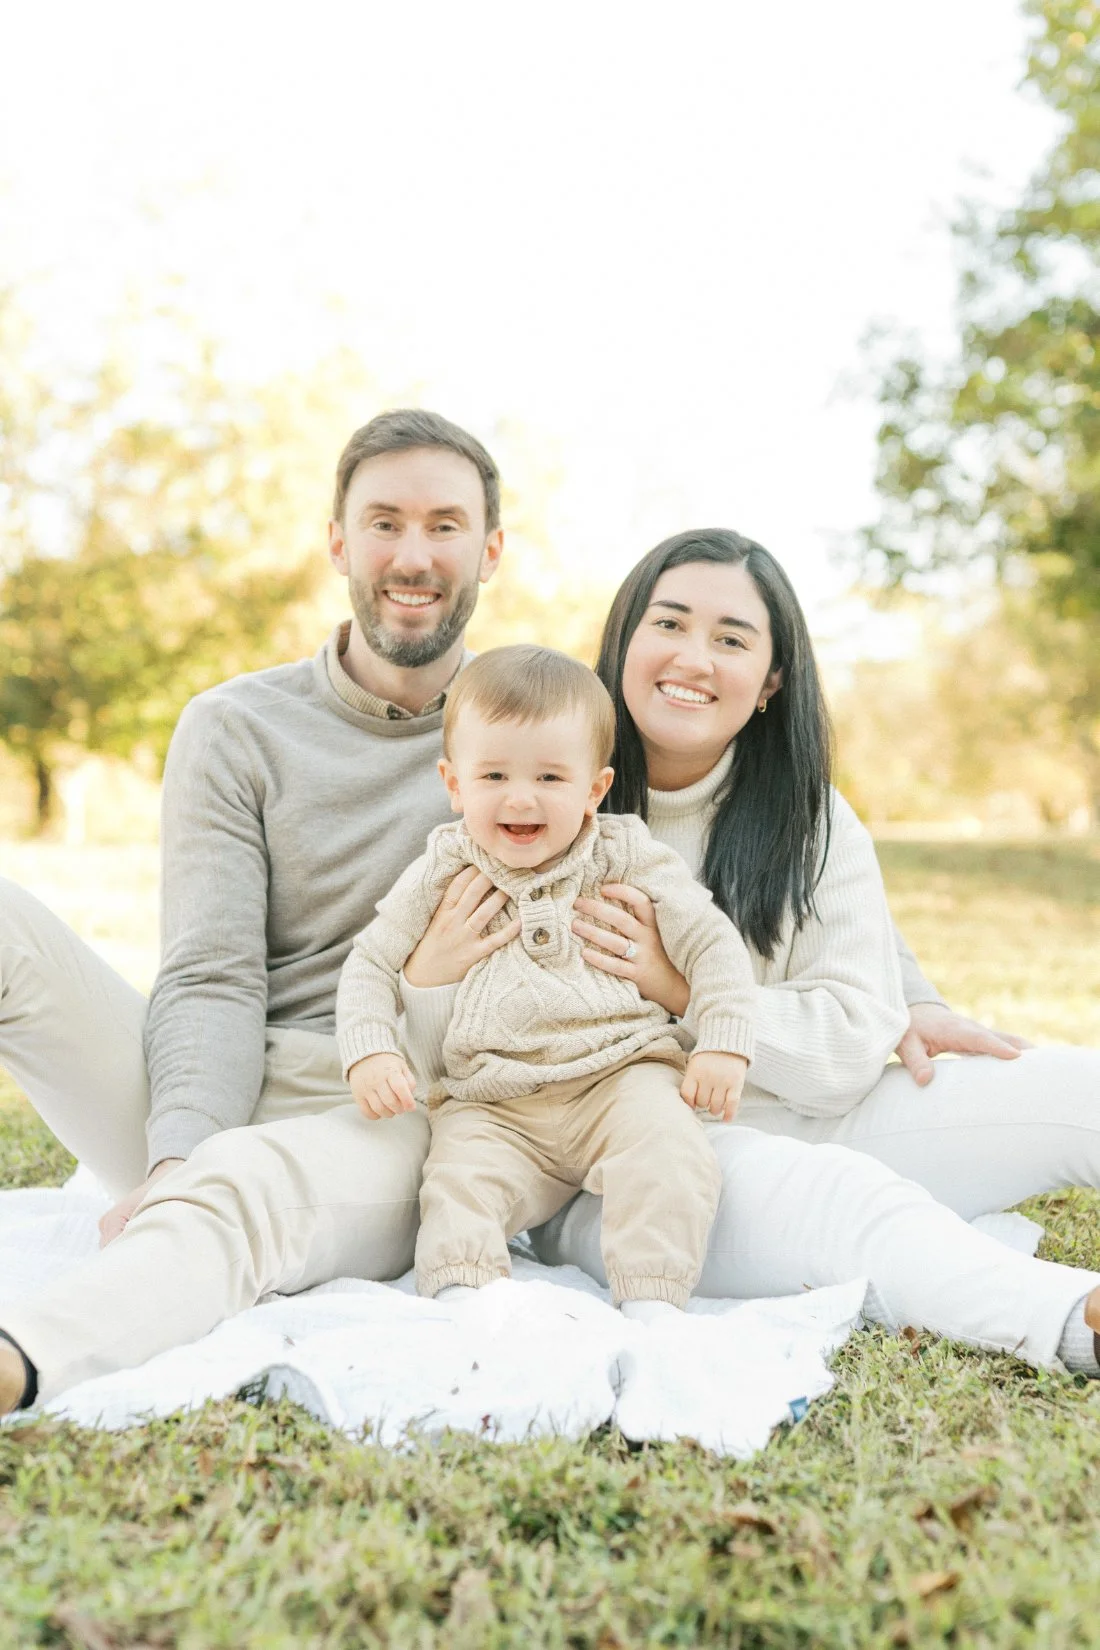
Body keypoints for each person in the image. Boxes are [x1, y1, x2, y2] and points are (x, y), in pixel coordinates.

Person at [0, 413, 1085, 1413]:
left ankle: (29, 1351)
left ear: (490, 552)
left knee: (248, 1193)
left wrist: (906, 995)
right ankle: (166, 1220)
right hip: (316, 1075)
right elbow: (210, 975)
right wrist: (175, 1150)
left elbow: (783, 887)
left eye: (445, 525)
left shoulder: (554, 738)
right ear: (337, 542)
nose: (413, 556)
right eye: (384, 523)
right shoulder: (303, 730)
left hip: (474, 1101)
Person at [400, 529, 1100, 1376]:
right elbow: (449, 1038)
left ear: (770, 681)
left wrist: (677, 985)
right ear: (622, 643)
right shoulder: (529, 807)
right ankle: (1070, 1319)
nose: (693, 658)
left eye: (731, 639)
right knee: (849, 1205)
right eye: (670, 624)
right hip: (628, 1165)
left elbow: (845, 1048)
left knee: (1077, 1086)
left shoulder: (813, 821)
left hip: (808, 1104)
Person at [338, 645, 752, 1315]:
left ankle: (652, 1302)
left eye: (551, 778)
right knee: (456, 1184)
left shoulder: (624, 853)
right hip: (492, 1102)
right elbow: (370, 962)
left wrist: (724, 1041)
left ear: (594, 788)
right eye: (494, 774)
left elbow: (711, 942)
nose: (521, 797)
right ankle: (468, 1304)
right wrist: (370, 1049)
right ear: (454, 783)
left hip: (619, 1078)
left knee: (670, 1154)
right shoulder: (442, 866)